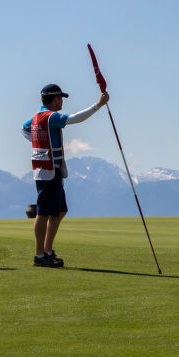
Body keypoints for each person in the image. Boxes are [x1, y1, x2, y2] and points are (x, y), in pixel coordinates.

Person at [22, 83, 109, 267]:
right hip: (48, 171)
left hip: (50, 170)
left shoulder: (37, 117)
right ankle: (40, 255)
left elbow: (25, 129)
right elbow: (75, 119)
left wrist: (38, 143)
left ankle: (47, 250)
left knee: (60, 210)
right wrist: (98, 105)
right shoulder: (50, 116)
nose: (62, 101)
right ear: (53, 99)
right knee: (43, 212)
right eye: (60, 98)